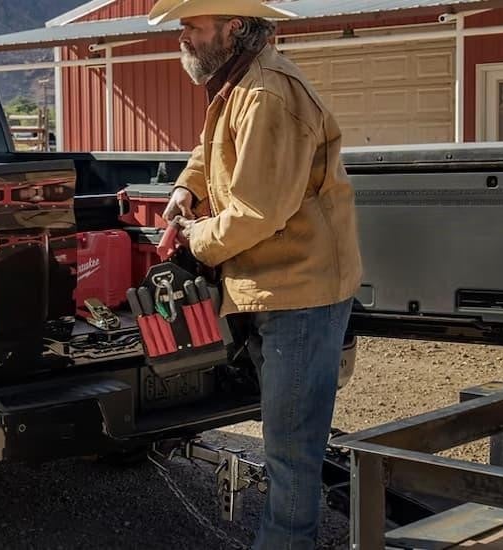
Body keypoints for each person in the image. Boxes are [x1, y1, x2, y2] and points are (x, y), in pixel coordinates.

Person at [147, 0, 363, 547]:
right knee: (287, 437)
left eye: (191, 26)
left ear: (233, 27)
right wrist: (185, 189)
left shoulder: (267, 94)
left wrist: (195, 238)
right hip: (273, 284)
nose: (183, 37)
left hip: (299, 293)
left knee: (291, 448)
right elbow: (210, 149)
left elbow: (257, 212)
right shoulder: (237, 83)